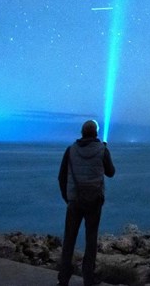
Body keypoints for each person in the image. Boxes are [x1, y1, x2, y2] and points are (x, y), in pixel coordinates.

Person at [57, 119, 115, 286]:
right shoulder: (102, 150)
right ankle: (88, 279)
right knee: (91, 240)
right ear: (96, 133)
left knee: (69, 240)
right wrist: (105, 150)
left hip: (74, 201)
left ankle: (63, 280)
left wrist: (67, 198)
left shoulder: (70, 150)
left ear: (82, 133)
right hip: (94, 202)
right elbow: (111, 172)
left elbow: (61, 177)